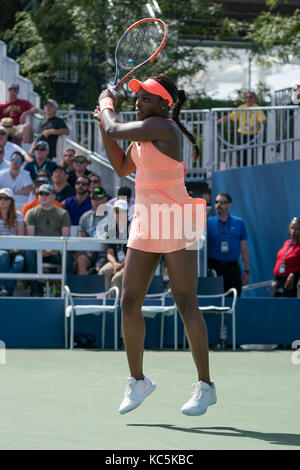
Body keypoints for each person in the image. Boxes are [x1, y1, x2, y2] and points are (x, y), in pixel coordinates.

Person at [96, 74, 214, 417]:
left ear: (165, 105)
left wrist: (106, 105)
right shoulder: (143, 136)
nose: (139, 102)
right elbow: (120, 166)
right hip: (147, 220)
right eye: (138, 98)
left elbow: (117, 128)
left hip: (176, 217)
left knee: (185, 300)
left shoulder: (164, 128)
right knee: (129, 300)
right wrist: (105, 124)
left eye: (147, 98)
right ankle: (138, 381)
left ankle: (205, 385)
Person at [24, 184, 71, 297]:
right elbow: (31, 238)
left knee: (67, 256)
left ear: (53, 196)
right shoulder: (31, 213)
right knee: (29, 252)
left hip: (57, 250)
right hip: (37, 250)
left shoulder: (63, 213)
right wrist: (42, 250)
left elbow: (65, 237)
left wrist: (54, 249)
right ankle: (36, 292)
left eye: (46, 193)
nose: (43, 196)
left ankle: (67, 291)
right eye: (40, 193)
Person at [207, 193, 250, 296]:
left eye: (222, 202)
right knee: (215, 300)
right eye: (216, 202)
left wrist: (247, 270)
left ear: (229, 204)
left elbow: (243, 248)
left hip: (232, 267)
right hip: (214, 268)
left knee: (233, 300)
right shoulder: (208, 223)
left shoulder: (238, 223)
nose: (218, 205)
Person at [76, 187, 109, 275]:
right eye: (93, 199)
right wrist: (87, 248)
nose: (96, 202)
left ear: (105, 199)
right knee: (81, 260)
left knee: (101, 266)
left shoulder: (113, 215)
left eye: (99, 199)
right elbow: (81, 238)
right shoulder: (85, 217)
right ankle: (82, 287)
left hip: (106, 252)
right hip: (90, 251)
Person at [98, 199, 129, 293]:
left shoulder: (133, 228)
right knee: (103, 272)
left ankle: (116, 306)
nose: (119, 214)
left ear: (127, 213)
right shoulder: (111, 229)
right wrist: (115, 264)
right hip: (116, 262)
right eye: (117, 211)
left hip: (131, 263)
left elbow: (134, 254)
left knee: (117, 278)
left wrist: (121, 265)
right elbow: (109, 252)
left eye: (122, 211)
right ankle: (102, 303)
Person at [0, 187, 25, 296]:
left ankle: (6, 290)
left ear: (11, 201)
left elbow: (20, 237)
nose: (3, 200)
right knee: (3, 255)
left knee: (20, 261)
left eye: (6, 198)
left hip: (14, 249)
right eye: (0, 197)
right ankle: (5, 290)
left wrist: (14, 248)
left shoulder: (18, 217)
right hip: (1, 249)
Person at [272, 217, 300, 298]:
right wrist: (275, 279)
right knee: (275, 307)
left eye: (297, 229)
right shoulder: (287, 243)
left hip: (291, 283)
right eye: (292, 228)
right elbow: (280, 261)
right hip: (278, 281)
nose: (294, 231)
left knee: (287, 308)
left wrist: (293, 274)